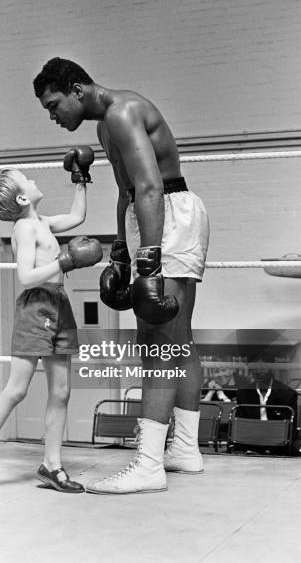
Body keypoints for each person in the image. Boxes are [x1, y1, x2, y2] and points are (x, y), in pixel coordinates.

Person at [33, 57, 210, 494]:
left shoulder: (123, 111)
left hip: (165, 214)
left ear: (77, 88)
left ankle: (149, 464)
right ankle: (184, 449)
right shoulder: (104, 125)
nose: (54, 117)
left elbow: (150, 187)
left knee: (157, 341)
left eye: (55, 105)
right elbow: (126, 190)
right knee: (177, 339)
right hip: (149, 217)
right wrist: (120, 252)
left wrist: (147, 259)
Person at [0, 156, 102, 496]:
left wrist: (80, 178)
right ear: (23, 198)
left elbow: (77, 217)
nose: (34, 178)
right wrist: (64, 260)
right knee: (17, 389)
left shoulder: (42, 221)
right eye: (27, 178)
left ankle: (52, 465)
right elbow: (25, 276)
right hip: (35, 307)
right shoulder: (25, 228)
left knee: (61, 391)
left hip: (59, 303)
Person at [234, 360, 298, 454]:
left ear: (271, 369)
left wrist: (270, 451)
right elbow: (241, 426)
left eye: (262, 367)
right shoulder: (243, 393)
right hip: (250, 444)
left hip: (277, 447)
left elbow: (289, 430)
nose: (258, 371)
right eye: (255, 367)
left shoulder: (288, 394)